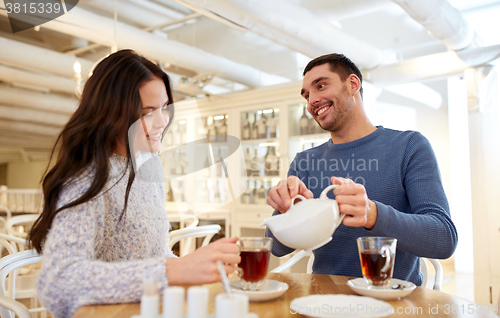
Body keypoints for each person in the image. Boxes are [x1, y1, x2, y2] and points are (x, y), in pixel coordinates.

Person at [28, 50, 240, 318]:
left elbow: (156, 254)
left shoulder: (148, 166)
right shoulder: (88, 177)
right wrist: (174, 271)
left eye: (165, 109)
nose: (162, 121)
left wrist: (191, 266)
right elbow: (58, 282)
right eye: (148, 112)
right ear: (112, 113)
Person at [265, 53, 458, 285]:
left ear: (353, 84)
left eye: (321, 86)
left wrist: (373, 214)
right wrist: (289, 212)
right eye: (306, 95)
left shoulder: (409, 147)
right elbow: (275, 247)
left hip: (392, 302)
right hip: (323, 303)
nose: (311, 101)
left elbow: (444, 239)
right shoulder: (305, 162)